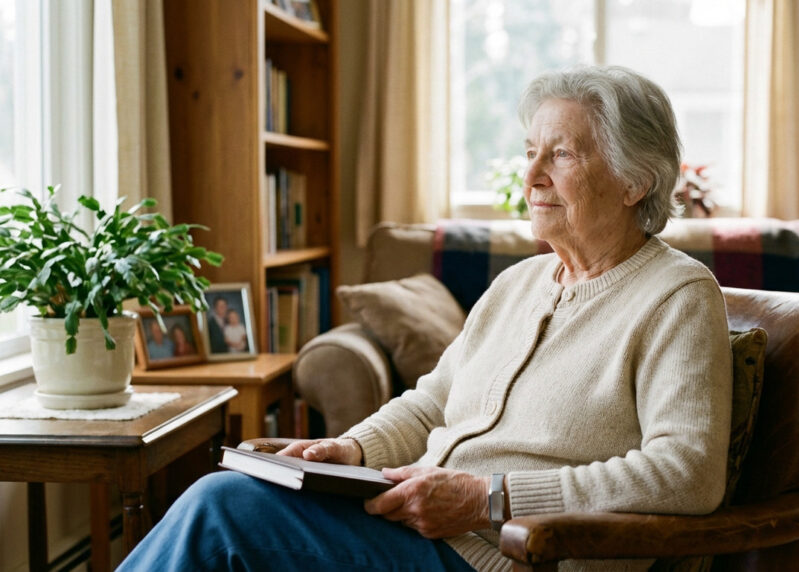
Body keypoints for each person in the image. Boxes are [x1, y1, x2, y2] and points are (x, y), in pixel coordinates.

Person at [117, 65, 733, 571]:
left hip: (510, 557)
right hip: (424, 528)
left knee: (222, 510)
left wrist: (489, 499)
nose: (531, 175)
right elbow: (434, 401)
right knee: (239, 493)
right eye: (529, 152)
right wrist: (350, 449)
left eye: (562, 154)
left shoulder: (677, 296)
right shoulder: (519, 283)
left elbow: (686, 474)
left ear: (634, 181)